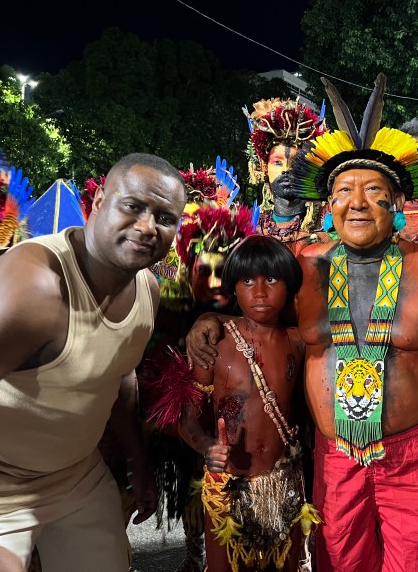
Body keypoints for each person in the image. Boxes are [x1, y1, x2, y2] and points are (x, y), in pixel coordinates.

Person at [190, 74, 418, 572]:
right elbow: (255, 317)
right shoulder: (302, 264)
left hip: (416, 462)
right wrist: (211, 318)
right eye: (344, 190)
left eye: (373, 190)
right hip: (336, 463)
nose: (357, 202)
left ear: (396, 201)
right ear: (328, 201)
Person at [0, 152, 187, 572]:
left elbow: (119, 374)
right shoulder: (31, 288)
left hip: (75, 478)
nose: (147, 227)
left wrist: (138, 465)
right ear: (99, 200)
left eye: (165, 217)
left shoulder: (148, 289)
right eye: (133, 207)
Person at [162, 234, 316, 572]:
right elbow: (185, 418)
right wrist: (206, 447)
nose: (259, 292)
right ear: (234, 289)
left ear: (289, 287)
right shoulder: (212, 345)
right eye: (247, 281)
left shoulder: (298, 342)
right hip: (228, 487)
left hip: (285, 485)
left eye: (272, 280)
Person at [140, 159, 256, 572]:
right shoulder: (166, 300)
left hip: (245, 428)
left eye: (222, 270)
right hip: (184, 422)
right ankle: (196, 554)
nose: (213, 280)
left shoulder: (256, 302)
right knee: (194, 486)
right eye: (202, 269)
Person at [244, 98, 330, 255]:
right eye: (277, 162)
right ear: (264, 167)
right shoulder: (250, 227)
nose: (287, 169)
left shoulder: (329, 225)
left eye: (296, 163)